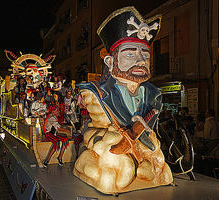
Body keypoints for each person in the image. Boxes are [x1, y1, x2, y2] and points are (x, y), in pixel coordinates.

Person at [73, 7, 173, 193]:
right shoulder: (97, 93)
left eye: (145, 54)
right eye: (130, 54)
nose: (141, 60)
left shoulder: (154, 94)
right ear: (111, 62)